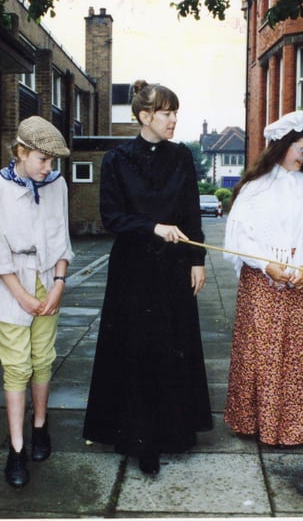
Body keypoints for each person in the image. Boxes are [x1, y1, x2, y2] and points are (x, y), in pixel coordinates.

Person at [82, 80, 213, 475]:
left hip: (174, 270)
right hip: (133, 272)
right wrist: (153, 226)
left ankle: (174, 432)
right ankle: (141, 440)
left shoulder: (182, 158)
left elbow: (191, 213)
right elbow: (113, 217)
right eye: (166, 113)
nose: (173, 120)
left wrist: (197, 259)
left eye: (175, 113)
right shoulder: (117, 159)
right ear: (144, 116)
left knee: (172, 346)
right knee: (136, 350)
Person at [222, 111, 303, 446]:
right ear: (283, 144)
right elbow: (241, 235)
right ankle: (259, 422)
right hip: (263, 281)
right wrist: (265, 264)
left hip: (297, 282)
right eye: (302, 150)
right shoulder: (256, 187)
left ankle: (299, 426)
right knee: (263, 352)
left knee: (300, 353)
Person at [0, 116, 74, 488]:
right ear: (20, 152)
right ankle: (16, 449)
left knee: (43, 357)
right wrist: (20, 294)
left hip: (48, 280)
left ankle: (40, 427)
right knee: (16, 364)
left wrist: (58, 285)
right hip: (11, 285)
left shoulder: (57, 185)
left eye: (53, 162)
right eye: (41, 160)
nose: (48, 168)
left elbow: (63, 240)